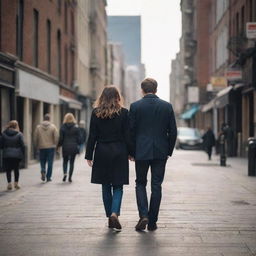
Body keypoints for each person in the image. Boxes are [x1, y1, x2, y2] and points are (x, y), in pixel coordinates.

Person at [129, 78, 177, 231]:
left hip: (141, 151)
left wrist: (131, 152)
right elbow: (173, 132)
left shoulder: (135, 106)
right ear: (156, 89)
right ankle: (153, 221)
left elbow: (130, 131)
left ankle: (143, 215)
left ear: (142, 90)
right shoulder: (167, 106)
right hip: (160, 152)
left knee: (140, 183)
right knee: (156, 186)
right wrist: (168, 150)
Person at [85, 86, 132, 231]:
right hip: (119, 151)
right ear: (118, 97)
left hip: (102, 152)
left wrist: (89, 155)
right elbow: (128, 135)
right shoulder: (124, 113)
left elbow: (92, 135)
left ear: (102, 97)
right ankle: (114, 213)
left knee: (105, 185)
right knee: (118, 186)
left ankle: (110, 216)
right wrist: (131, 152)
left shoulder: (96, 113)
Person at [34, 114, 59, 182]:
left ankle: (43, 169)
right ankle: (48, 177)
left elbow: (35, 137)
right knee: (50, 162)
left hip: (41, 147)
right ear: (49, 119)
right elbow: (56, 137)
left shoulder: (38, 127)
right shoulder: (53, 127)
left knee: (42, 160)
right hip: (51, 147)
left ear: (44, 119)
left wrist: (36, 145)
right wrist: (56, 145)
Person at [1, 120, 25, 190]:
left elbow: (1, 145)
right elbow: (22, 145)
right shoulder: (19, 134)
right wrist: (22, 153)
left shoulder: (4, 134)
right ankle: (16, 183)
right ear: (16, 126)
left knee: (8, 169)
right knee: (16, 169)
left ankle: (9, 184)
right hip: (16, 155)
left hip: (7, 154)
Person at [58, 113, 81, 183]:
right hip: (73, 147)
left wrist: (59, 145)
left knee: (65, 161)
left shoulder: (62, 127)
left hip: (65, 146)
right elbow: (79, 139)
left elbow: (61, 138)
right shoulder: (76, 127)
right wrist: (78, 143)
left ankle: (65, 173)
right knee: (72, 162)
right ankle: (70, 177)